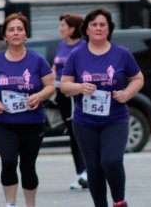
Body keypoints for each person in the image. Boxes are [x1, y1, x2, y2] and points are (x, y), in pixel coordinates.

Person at [60, 7, 144, 207]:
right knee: (94, 167)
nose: (98, 28)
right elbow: (64, 86)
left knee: (111, 160)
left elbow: (138, 78)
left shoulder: (121, 54)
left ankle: (119, 201)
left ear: (109, 29)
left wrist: (127, 93)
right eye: (94, 25)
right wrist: (80, 87)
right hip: (85, 121)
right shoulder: (76, 55)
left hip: (115, 119)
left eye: (102, 25)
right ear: (86, 30)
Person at [0, 12, 55, 207]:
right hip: (4, 123)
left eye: (20, 29)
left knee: (28, 166)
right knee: (9, 162)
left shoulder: (37, 60)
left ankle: (30, 204)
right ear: (4, 36)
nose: (16, 33)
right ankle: (10, 203)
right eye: (11, 30)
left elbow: (50, 86)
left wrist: (39, 96)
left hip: (33, 122)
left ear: (25, 34)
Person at [52, 13, 88, 190]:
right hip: (61, 93)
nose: (60, 28)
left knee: (80, 133)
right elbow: (55, 67)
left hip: (76, 94)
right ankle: (80, 173)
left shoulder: (83, 46)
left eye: (63, 25)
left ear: (72, 29)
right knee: (72, 135)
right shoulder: (61, 45)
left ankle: (88, 171)